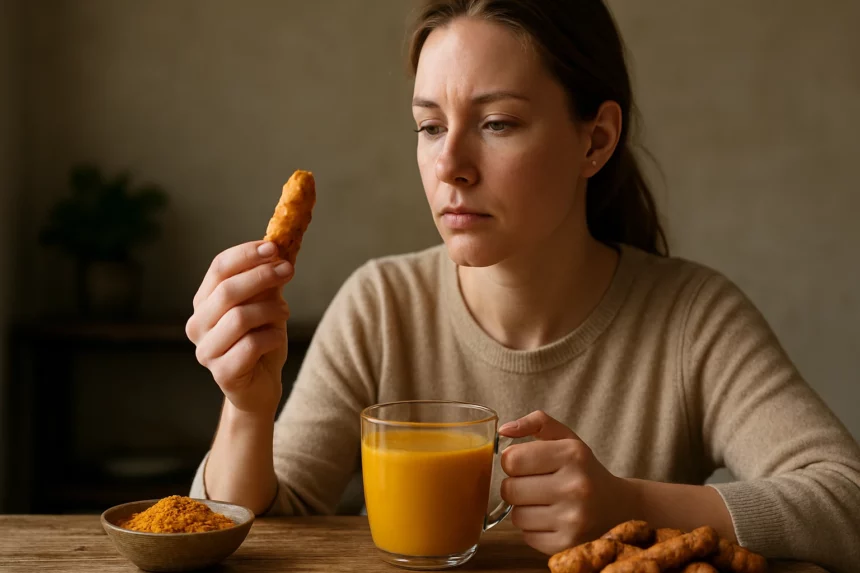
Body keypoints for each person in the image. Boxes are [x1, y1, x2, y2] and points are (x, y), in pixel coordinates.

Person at [185, 0, 860, 570]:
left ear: (595, 141)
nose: (450, 164)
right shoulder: (381, 304)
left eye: (497, 122)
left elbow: (846, 499)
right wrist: (246, 405)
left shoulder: (692, 318)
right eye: (428, 126)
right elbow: (254, 528)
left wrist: (632, 502)